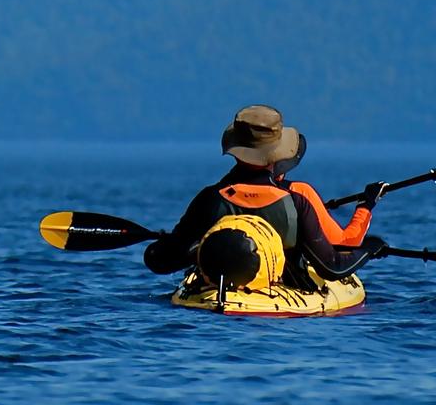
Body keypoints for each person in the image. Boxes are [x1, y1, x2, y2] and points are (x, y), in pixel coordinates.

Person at [143, 104, 385, 286]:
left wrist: (179, 246)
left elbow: (160, 261)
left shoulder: (210, 199)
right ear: (279, 153)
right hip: (281, 296)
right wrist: (370, 248)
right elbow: (332, 267)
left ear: (236, 150)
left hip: (214, 301)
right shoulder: (296, 202)